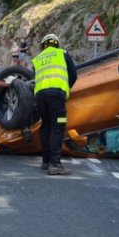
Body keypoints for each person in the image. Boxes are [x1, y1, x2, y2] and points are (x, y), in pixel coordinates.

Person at [32, 34, 77, 175]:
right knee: (57, 128)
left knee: (45, 126)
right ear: (56, 44)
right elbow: (73, 75)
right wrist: (65, 88)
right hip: (56, 96)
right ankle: (55, 164)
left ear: (43, 45)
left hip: (40, 96)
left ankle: (45, 161)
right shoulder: (62, 53)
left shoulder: (37, 59)